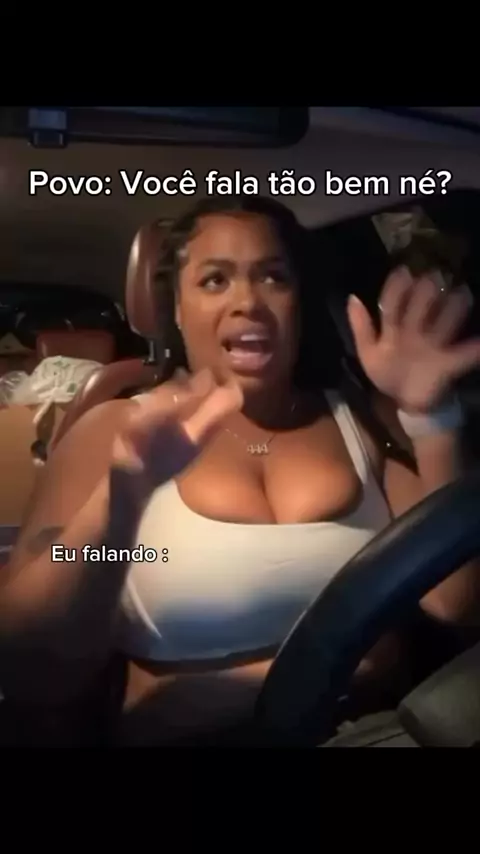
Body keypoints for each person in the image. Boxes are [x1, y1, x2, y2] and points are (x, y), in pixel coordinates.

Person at [1, 196, 480, 746]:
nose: (248, 301)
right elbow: (30, 669)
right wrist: (121, 500)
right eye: (215, 280)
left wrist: (431, 416)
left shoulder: (356, 419)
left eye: (273, 277)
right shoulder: (114, 428)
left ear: (298, 302)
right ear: (176, 309)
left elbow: (455, 602)